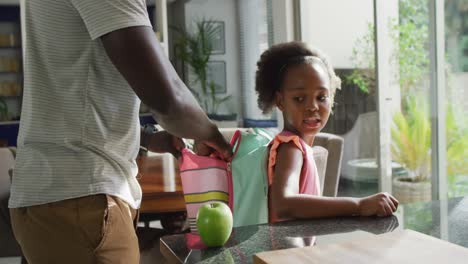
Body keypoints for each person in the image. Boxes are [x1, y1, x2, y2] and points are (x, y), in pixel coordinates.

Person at [8, 0, 232, 263]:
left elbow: (74, 92)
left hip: (52, 198)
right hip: (82, 200)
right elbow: (169, 99)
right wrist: (215, 137)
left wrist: (148, 138)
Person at [254, 41, 398, 223]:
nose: (312, 106)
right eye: (299, 98)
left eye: (321, 97)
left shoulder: (297, 146)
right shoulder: (291, 148)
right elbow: (284, 204)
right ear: (280, 101)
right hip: (286, 251)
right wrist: (359, 205)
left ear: (332, 98)